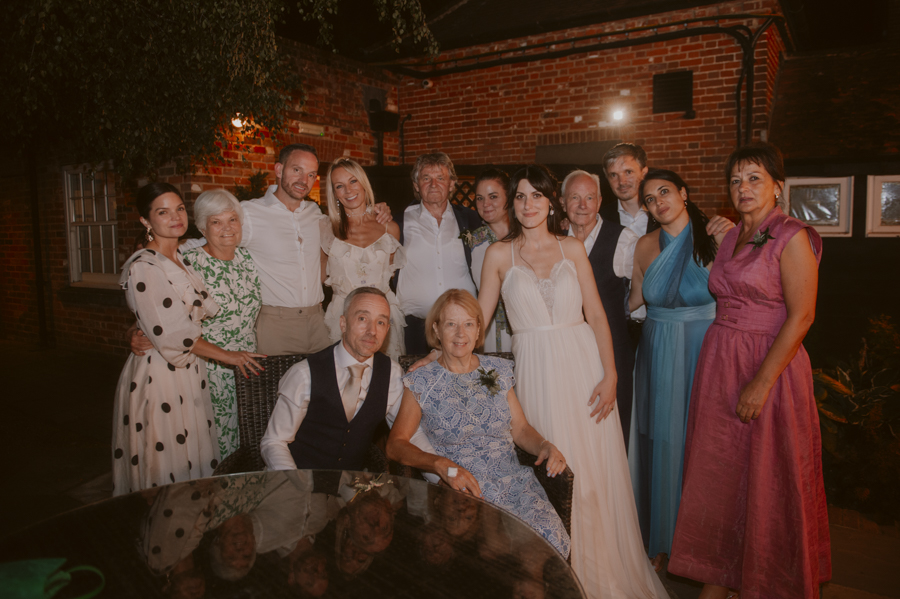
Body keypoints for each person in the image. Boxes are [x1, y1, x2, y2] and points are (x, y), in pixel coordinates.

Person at [475, 164, 668, 597]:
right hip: (535, 371)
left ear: (551, 203)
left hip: (585, 370)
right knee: (553, 475)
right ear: (512, 204)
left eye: (537, 196)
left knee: (593, 474)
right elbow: (478, 321)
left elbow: (597, 314)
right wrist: (440, 355)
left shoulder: (572, 248)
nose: (528, 204)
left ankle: (603, 577)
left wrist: (611, 374)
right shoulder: (498, 255)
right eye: (520, 196)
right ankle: (558, 576)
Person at [668, 143, 830, 599]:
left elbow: (802, 316)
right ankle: (718, 578)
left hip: (769, 367)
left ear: (778, 186)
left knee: (768, 477)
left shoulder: (792, 236)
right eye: (736, 180)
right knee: (722, 477)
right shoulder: (732, 236)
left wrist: (760, 383)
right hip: (721, 364)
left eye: (755, 178)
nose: (743, 187)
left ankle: (768, 580)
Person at [387, 289, 570, 558]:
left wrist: (544, 445)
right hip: (462, 492)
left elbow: (520, 429)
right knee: (490, 551)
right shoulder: (422, 381)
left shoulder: (497, 370)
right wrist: (440, 465)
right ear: (436, 329)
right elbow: (395, 445)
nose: (460, 333)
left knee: (549, 537)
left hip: (514, 483)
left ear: (478, 330)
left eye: (468, 324)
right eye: (451, 324)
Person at [112, 183, 264, 496]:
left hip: (195, 372)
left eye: (179, 208)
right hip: (165, 375)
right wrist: (134, 333)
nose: (175, 217)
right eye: (163, 212)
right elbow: (171, 329)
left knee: (197, 456)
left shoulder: (179, 258)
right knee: (168, 461)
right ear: (146, 220)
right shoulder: (148, 264)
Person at [626, 169, 733, 570]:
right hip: (655, 351)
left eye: (665, 192)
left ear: (684, 193)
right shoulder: (644, 245)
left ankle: (702, 545)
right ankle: (660, 540)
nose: (659, 202)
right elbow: (632, 301)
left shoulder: (717, 236)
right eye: (650, 199)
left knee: (702, 442)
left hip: (706, 348)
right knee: (661, 442)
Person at [260, 287, 435, 471]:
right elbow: (274, 442)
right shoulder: (304, 374)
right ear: (343, 324)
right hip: (297, 478)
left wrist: (440, 471)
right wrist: (297, 483)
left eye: (381, 322)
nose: (372, 331)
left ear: (387, 330)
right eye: (362, 318)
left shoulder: (392, 373)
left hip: (351, 484)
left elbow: (411, 433)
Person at [182, 190, 262, 460]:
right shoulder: (190, 264)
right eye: (216, 222)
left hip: (247, 366)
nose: (227, 228)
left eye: (232, 219)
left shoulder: (247, 259)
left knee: (247, 439)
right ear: (202, 227)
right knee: (216, 442)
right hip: (209, 368)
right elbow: (173, 322)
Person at [562, 169, 639, 447]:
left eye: (590, 198)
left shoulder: (623, 239)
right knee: (573, 430)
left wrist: (619, 312)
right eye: (575, 197)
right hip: (567, 355)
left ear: (599, 201)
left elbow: (643, 289)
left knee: (612, 433)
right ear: (562, 202)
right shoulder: (553, 240)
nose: (583, 205)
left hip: (611, 353)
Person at [395, 152, 482, 354]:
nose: (433, 184)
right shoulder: (400, 221)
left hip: (462, 327)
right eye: (426, 178)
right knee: (416, 375)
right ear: (416, 185)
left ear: (451, 184)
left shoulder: (470, 220)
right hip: (414, 329)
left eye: (440, 178)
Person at [321, 158, 406, 360]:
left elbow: (391, 275)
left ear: (363, 183)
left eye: (353, 181)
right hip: (343, 317)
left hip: (382, 317)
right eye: (339, 186)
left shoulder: (389, 228)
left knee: (385, 375)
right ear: (334, 193)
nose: (348, 190)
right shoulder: (325, 229)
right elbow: (319, 278)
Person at [600, 142, 655, 343]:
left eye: (628, 172)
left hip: (657, 324)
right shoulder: (599, 219)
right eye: (613, 175)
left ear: (644, 172)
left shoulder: (662, 216)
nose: (621, 181)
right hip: (616, 327)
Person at [465, 168, 512, 352]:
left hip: (525, 330)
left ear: (508, 197)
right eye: (480, 198)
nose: (486, 204)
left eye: (493, 196)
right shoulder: (471, 243)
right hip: (487, 331)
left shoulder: (526, 236)